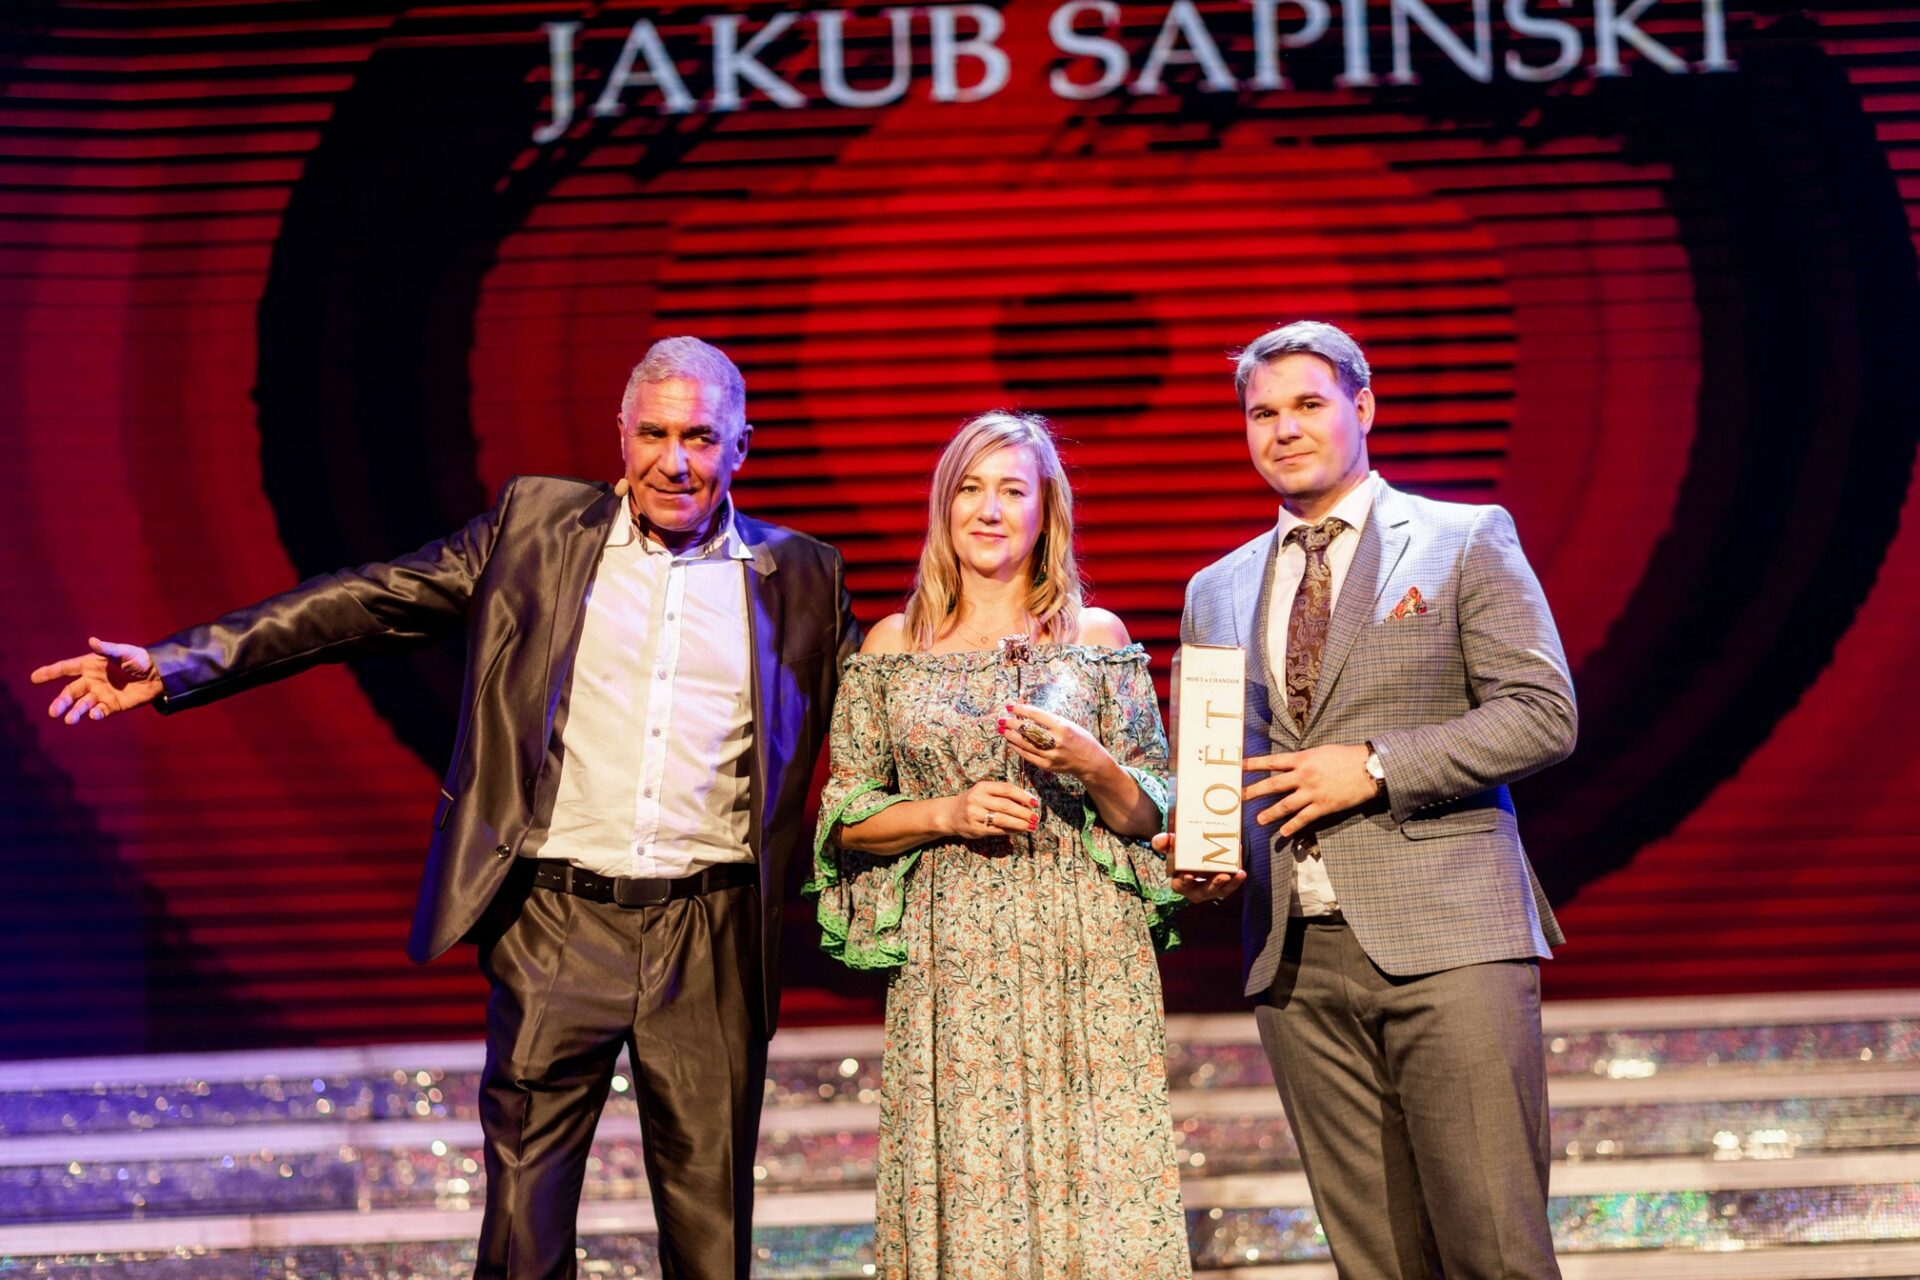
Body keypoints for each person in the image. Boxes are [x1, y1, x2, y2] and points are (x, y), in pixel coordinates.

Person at [30, 336, 857, 1280]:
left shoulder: (803, 576)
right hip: (557, 921)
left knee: (711, 1233)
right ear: (621, 437)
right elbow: (365, 602)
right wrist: (180, 663)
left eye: (701, 438)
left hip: (710, 934)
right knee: (522, 1236)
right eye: (655, 434)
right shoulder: (536, 527)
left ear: (742, 446)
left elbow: (887, 711)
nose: (675, 461)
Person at [1157, 321, 1576, 1279]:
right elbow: (1219, 762)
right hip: (1294, 960)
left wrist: (1378, 765)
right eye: (1262, 413)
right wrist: (1207, 847)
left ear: (1364, 407)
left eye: (1308, 405)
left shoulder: (1463, 537)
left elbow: (1543, 713)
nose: (1284, 429)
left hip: (1449, 940)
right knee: (1375, 1262)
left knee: (1495, 1249)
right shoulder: (1215, 588)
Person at [806, 411, 1190, 1279]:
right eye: (971, 489)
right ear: (944, 507)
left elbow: (1150, 812)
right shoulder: (892, 646)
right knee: (972, 1183)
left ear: (1045, 511)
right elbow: (845, 817)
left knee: (1097, 1179)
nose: (989, 509)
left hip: (1086, 946)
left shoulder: (1098, 639)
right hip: (953, 956)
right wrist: (947, 813)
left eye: (1013, 490)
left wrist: (1092, 764)